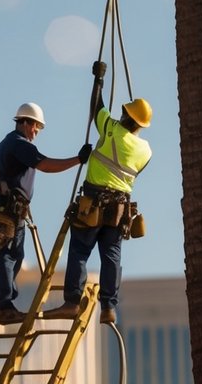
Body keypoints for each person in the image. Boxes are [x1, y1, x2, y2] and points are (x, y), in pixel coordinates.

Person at [46, 62, 153, 326]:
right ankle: (109, 307)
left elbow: (96, 108)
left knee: (80, 250)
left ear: (127, 117)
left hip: (93, 201)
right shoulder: (146, 150)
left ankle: (72, 302)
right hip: (119, 209)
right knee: (111, 256)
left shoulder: (112, 129)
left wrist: (99, 79)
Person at [0, 101, 91, 325]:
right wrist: (77, 160)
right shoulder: (20, 144)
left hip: (4, 208)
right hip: (8, 211)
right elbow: (45, 165)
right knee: (9, 255)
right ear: (25, 122)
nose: (36, 132)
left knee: (11, 255)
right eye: (35, 127)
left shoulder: (6, 143)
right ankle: (4, 307)